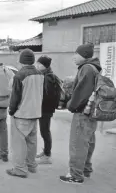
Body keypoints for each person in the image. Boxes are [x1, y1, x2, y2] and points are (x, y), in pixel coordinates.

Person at [60, 43, 101, 184]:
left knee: (78, 143)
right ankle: (85, 169)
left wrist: (70, 105)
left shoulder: (86, 69)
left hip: (83, 113)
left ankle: (75, 175)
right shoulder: (95, 68)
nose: (73, 57)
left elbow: (81, 93)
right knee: (88, 142)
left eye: (76, 54)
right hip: (91, 112)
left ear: (83, 55)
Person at [6, 49, 44, 178]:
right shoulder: (40, 74)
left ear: (21, 61)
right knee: (31, 141)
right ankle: (31, 165)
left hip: (22, 113)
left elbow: (15, 97)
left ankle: (20, 169)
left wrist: (11, 111)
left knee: (19, 142)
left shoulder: (19, 76)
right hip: (35, 112)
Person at [35, 56, 62, 165]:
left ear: (44, 65)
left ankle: (47, 155)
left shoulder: (48, 78)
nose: (37, 65)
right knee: (45, 130)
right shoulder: (48, 75)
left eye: (39, 64)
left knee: (44, 131)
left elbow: (48, 96)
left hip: (45, 109)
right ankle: (46, 151)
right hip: (46, 108)